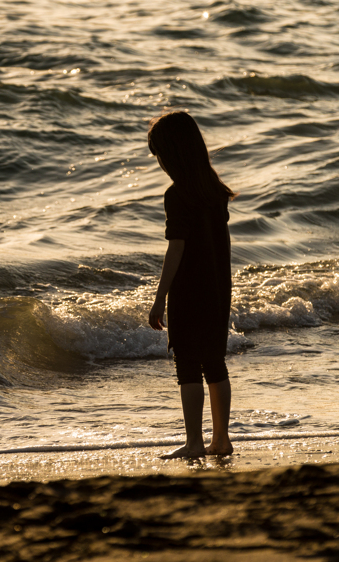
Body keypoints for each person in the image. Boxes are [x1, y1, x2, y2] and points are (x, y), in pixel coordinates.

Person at [147, 111, 236, 459]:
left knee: (187, 365)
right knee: (215, 363)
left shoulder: (177, 195)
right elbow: (222, 244)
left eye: (160, 155)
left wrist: (159, 298)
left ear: (173, 153)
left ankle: (195, 442)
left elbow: (177, 248)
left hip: (188, 290)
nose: (159, 163)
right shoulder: (215, 191)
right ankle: (221, 440)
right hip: (217, 287)